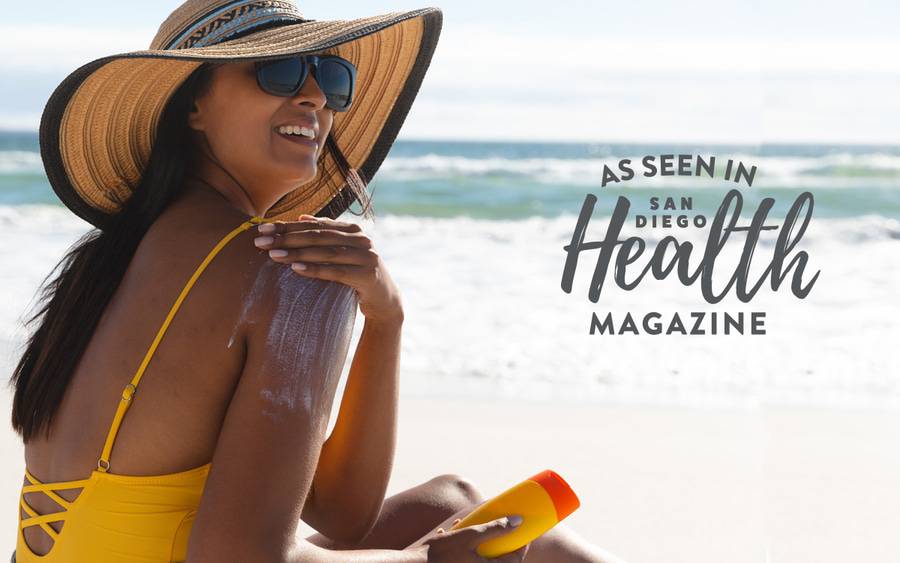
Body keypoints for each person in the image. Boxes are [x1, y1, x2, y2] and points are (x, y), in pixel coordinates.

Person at [8, 1, 626, 562]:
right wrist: (430, 562)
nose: (314, 99)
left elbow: (343, 513)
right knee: (551, 555)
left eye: (330, 79)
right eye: (277, 71)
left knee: (451, 497)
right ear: (192, 104)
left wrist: (386, 318)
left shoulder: (107, 259)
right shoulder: (287, 276)